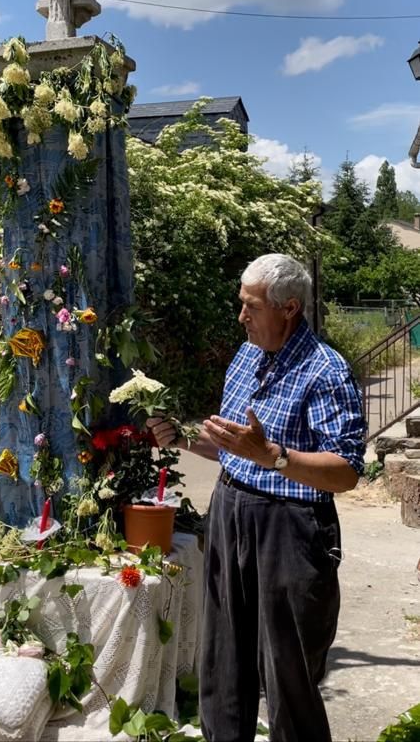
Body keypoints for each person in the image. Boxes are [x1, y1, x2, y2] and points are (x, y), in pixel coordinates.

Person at [149, 253, 366, 742]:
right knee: (223, 660)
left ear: (289, 308)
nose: (241, 316)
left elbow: (347, 471)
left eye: (251, 306)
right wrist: (181, 437)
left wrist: (276, 456)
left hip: (290, 527)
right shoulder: (247, 355)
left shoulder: (326, 371)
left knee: (287, 673)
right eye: (241, 304)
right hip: (229, 511)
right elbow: (236, 452)